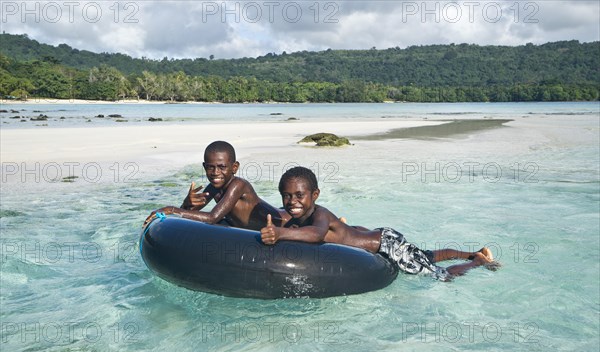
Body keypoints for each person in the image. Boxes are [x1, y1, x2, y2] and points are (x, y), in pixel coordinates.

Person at [260, 166, 497, 281]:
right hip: (377, 235)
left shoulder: (320, 215)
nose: (292, 201)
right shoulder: (299, 213)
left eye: (299, 195)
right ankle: (471, 252)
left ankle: (478, 261)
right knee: (424, 254)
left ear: (315, 195)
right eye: (286, 195)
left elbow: (317, 235)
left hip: (386, 244)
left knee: (440, 275)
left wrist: (280, 234)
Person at [144, 141, 289, 230]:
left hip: (285, 221)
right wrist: (186, 203)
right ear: (204, 166)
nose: (215, 172)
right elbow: (185, 215)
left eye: (222, 167)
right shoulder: (214, 187)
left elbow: (213, 217)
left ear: (234, 167)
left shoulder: (238, 185)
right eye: (210, 167)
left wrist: (171, 209)